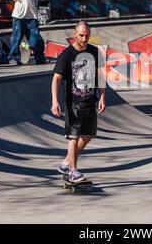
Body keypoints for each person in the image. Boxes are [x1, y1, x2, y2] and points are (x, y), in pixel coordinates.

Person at [51, 21, 106, 183]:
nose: (84, 38)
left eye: (87, 35)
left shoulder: (95, 51)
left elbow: (101, 76)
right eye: (81, 35)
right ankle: (73, 170)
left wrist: (103, 95)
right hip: (73, 102)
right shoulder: (66, 55)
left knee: (88, 135)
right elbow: (56, 79)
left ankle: (66, 162)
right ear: (74, 34)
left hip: (90, 100)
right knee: (73, 136)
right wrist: (55, 101)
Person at [0, 0, 45, 65]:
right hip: (19, 16)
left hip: (32, 16)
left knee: (36, 38)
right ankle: (13, 58)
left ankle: (39, 57)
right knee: (16, 37)